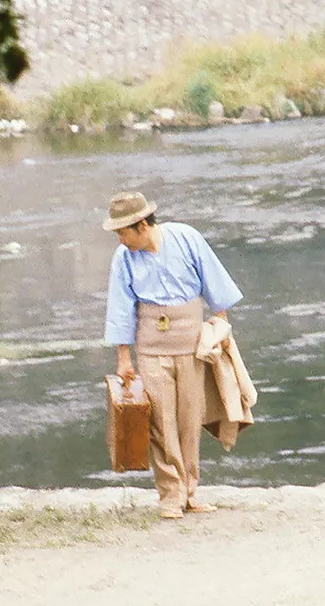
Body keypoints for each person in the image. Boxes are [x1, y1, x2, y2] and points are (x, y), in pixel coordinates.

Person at [102, 191, 244, 519]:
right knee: (159, 421)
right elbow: (121, 308)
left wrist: (221, 328)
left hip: (192, 342)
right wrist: (124, 359)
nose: (120, 239)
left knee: (189, 419)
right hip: (152, 345)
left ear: (142, 225)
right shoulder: (123, 258)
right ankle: (170, 493)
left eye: (123, 231)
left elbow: (215, 286)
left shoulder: (186, 238)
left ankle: (190, 490)